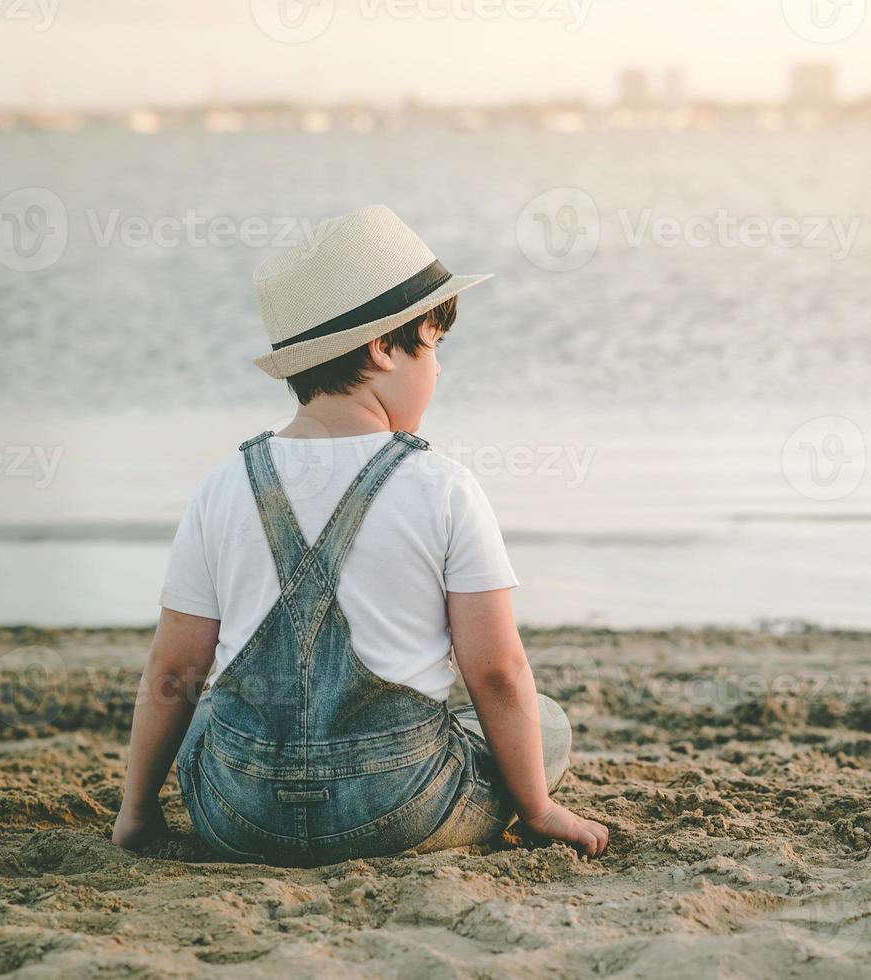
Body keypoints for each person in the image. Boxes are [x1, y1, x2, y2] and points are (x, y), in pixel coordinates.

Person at [111, 205, 608, 864]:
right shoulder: (444, 486)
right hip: (402, 804)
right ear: (382, 349)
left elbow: (174, 671)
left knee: (204, 714)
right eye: (432, 347)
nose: (438, 371)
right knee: (544, 720)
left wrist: (137, 815)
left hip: (241, 814)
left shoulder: (223, 486)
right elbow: (496, 674)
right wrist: (538, 809)